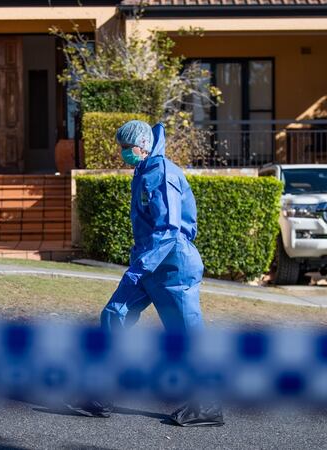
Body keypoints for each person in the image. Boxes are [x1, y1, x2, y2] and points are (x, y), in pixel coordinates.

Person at [67, 120, 224, 427]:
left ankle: (208, 404)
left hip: (174, 266)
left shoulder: (163, 174)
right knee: (114, 315)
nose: (122, 153)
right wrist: (140, 265)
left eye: (126, 148)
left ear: (142, 147)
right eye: (121, 148)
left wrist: (138, 269)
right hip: (150, 263)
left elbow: (168, 229)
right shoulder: (144, 170)